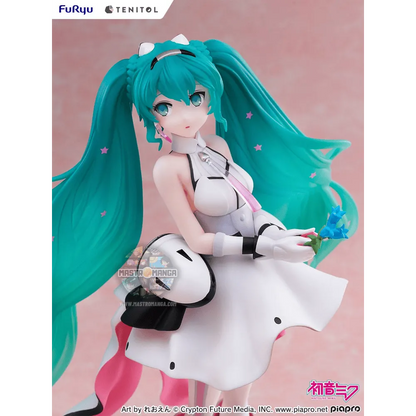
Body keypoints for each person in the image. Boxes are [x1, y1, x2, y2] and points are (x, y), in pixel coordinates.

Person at [49, 34, 358, 416]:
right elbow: (197, 239)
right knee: (218, 358)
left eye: (195, 98)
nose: (185, 115)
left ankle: (226, 409)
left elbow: (250, 207)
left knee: (241, 353)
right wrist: (262, 246)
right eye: (165, 106)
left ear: (210, 96)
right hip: (218, 275)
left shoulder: (218, 147)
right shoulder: (168, 168)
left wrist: (278, 235)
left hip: (251, 268)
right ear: (152, 116)